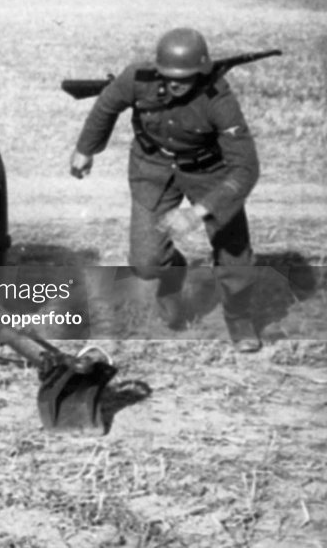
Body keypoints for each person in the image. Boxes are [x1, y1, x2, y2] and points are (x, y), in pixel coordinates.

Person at [70, 27, 263, 352]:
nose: (175, 83)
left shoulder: (219, 100)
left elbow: (246, 168)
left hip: (209, 172)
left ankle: (239, 316)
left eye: (184, 78)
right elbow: (106, 105)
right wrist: (85, 149)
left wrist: (198, 211)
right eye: (169, 76)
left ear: (200, 73)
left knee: (234, 257)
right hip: (153, 168)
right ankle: (173, 274)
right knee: (146, 263)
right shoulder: (138, 77)